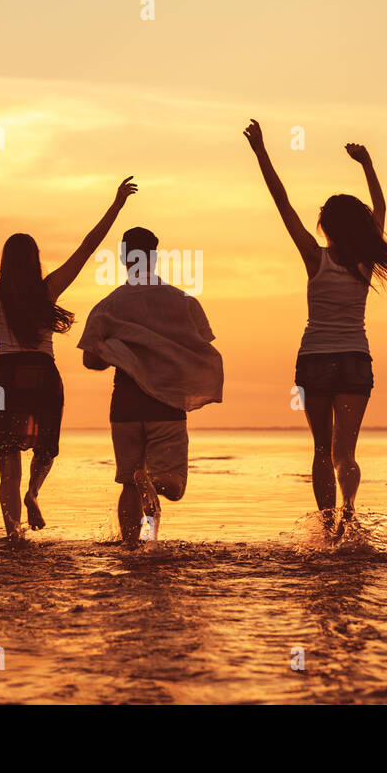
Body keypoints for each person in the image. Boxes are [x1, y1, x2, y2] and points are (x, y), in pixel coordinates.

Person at [0, 177, 137, 541]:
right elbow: (88, 247)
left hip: (4, 379)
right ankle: (33, 493)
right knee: (45, 443)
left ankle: (14, 535)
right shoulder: (48, 289)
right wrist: (116, 205)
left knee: (8, 460)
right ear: (35, 260)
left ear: (6, 262)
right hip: (42, 375)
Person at [243, 120, 387, 534]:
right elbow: (381, 211)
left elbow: (280, 201)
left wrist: (261, 151)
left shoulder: (314, 257)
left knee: (321, 449)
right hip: (355, 360)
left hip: (315, 360)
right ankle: (349, 513)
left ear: (326, 227)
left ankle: (326, 524)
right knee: (346, 453)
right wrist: (368, 164)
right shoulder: (365, 261)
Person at [78, 227, 223, 546]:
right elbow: (198, 349)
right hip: (165, 405)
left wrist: (117, 351)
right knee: (173, 487)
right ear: (155, 258)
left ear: (123, 258)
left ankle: (132, 547)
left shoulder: (109, 305)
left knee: (129, 484)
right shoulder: (183, 302)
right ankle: (151, 502)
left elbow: (91, 361)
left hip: (125, 407)